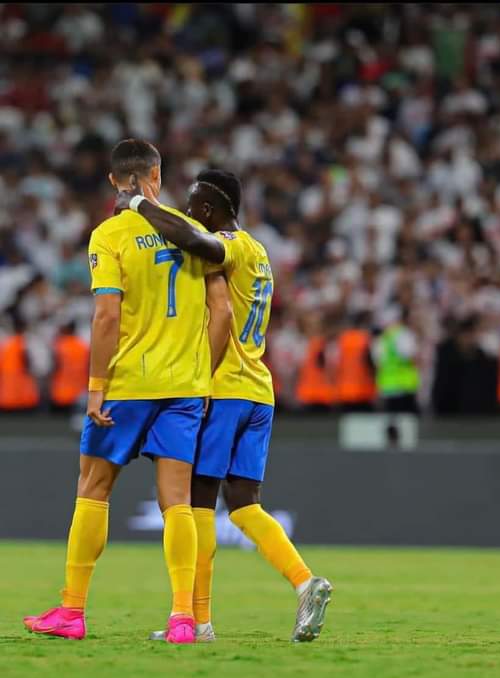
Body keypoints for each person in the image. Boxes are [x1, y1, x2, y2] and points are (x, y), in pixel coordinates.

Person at [24, 140, 232, 644]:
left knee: (93, 490)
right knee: (177, 503)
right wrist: (203, 377)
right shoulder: (195, 234)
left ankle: (72, 611)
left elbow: (107, 315)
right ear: (156, 178)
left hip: (127, 384)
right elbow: (222, 312)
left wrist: (95, 391)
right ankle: (183, 618)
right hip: (184, 385)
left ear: (115, 181)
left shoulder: (109, 235)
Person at [116, 169, 332, 643]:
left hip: (225, 388)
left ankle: (198, 620)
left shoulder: (230, 244)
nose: (188, 216)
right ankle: (304, 581)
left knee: (197, 503)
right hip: (258, 388)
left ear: (210, 211)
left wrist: (139, 206)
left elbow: (199, 248)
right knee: (243, 503)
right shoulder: (260, 252)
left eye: (193, 208)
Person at [373, 307, 421, 413]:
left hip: (387, 388)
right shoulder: (404, 335)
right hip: (405, 387)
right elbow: (413, 358)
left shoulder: (381, 339)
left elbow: (377, 365)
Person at [49, 321, 90, 411]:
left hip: (61, 391)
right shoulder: (82, 346)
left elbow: (55, 366)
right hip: (80, 390)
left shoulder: (60, 345)